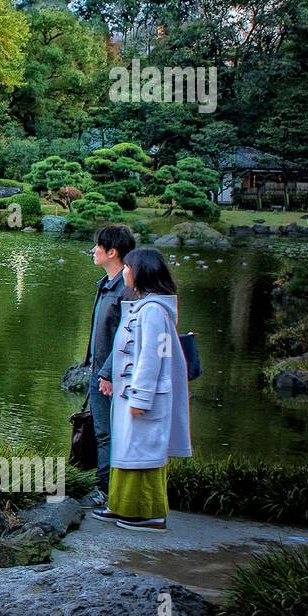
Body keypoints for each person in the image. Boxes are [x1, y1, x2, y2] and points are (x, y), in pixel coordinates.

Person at [91, 246, 192, 531]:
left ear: (140, 272)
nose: (123, 271)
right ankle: (121, 506)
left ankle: (148, 513)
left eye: (127, 267)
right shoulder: (143, 306)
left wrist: (141, 397)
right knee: (126, 450)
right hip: (129, 395)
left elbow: (152, 358)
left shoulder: (154, 313)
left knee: (143, 454)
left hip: (142, 398)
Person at [85, 224, 136, 505]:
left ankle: (108, 492)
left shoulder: (125, 291)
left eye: (98, 246)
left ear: (112, 252)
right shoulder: (107, 285)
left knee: (108, 434)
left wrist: (106, 374)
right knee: (102, 432)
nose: (94, 251)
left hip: (111, 376)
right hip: (99, 371)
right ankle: (107, 488)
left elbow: (124, 337)